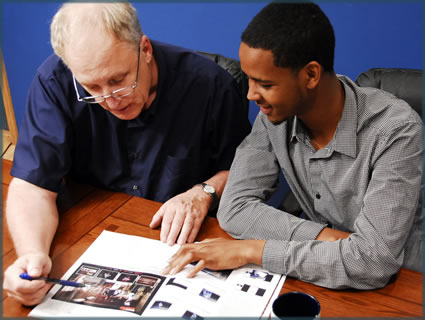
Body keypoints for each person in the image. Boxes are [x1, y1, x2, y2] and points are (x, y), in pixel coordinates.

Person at [3, 2, 251, 305]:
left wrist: (204, 191)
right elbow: (32, 187)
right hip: (89, 234)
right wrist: (32, 254)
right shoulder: (54, 82)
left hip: (181, 248)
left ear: (144, 49)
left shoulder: (212, 85)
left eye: (119, 80)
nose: (109, 100)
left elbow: (244, 171)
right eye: (91, 87)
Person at [162, 2, 423, 290]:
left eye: (265, 83)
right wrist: (331, 239)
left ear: (310, 75)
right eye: (249, 79)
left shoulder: (396, 129)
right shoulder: (274, 115)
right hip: (318, 275)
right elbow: (234, 209)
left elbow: (373, 262)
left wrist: (252, 250)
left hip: (404, 281)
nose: (251, 94)